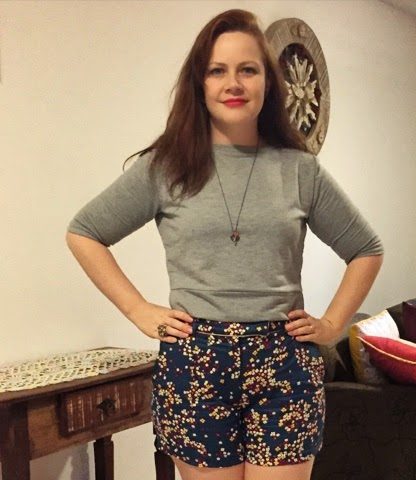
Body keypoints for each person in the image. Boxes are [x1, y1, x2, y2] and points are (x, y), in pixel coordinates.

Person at [66, 8, 384, 480]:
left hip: (284, 363)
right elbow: (85, 232)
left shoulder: (300, 170)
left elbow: (365, 249)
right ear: (199, 83)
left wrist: (333, 323)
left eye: (248, 70)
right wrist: (138, 309)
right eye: (217, 70)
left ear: (268, 82)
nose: (233, 83)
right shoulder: (165, 168)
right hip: (194, 362)